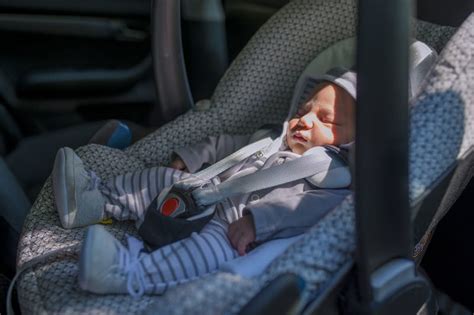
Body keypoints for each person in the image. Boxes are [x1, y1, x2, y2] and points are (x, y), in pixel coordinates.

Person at [52, 67, 356, 297]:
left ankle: (129, 274)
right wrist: (192, 157)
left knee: (207, 252)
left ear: (354, 139)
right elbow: (227, 145)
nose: (305, 120)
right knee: (163, 178)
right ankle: (93, 202)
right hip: (205, 193)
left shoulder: (332, 174)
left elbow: (308, 210)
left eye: (326, 119)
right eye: (304, 111)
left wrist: (257, 222)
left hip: (234, 227)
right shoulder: (270, 139)